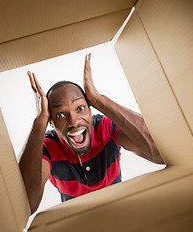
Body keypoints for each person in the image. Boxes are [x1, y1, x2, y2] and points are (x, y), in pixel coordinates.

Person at [19, 53, 164, 214]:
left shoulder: (105, 126)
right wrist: (39, 122)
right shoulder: (48, 147)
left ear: (90, 110)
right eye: (60, 115)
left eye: (80, 108)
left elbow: (160, 153)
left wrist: (98, 99)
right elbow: (26, 206)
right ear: (50, 122)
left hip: (122, 213)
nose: (74, 122)